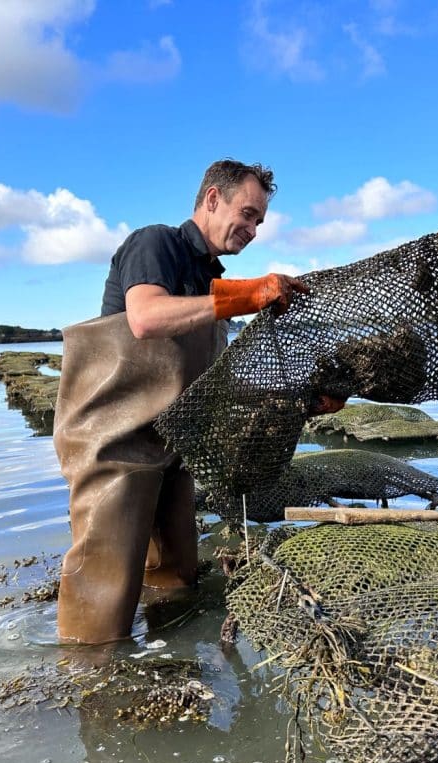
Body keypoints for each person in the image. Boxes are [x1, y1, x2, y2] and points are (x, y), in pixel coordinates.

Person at [52, 159, 310, 645]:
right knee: (102, 595)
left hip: (172, 442)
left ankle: (168, 660)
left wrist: (304, 402)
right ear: (213, 198)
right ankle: (87, 687)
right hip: (114, 444)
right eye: (248, 213)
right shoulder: (157, 243)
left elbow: (216, 382)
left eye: (259, 221)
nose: (253, 229)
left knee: (176, 576)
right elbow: (146, 318)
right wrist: (247, 296)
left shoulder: (209, 278)